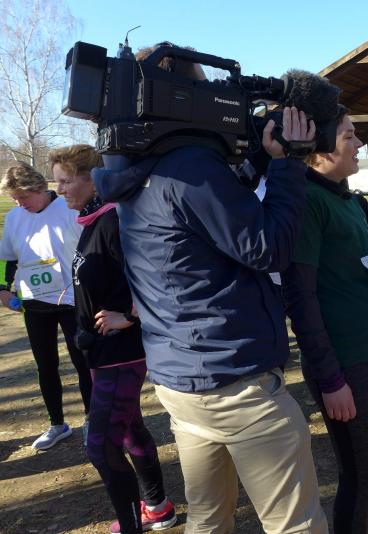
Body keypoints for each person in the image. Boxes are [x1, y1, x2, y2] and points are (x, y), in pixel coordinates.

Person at [92, 49, 330, 533]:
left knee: (208, 519)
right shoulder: (191, 169)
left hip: (180, 383)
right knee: (296, 525)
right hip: (236, 384)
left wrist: (261, 155)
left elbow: (212, 216)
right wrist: (289, 164)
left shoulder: (140, 169)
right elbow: (268, 248)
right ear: (180, 99)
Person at [283, 108, 368, 534]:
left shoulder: (352, 200)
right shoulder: (307, 202)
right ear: (320, 148)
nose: (358, 144)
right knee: (359, 473)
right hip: (344, 364)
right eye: (349, 136)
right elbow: (300, 298)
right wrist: (330, 378)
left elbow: (361, 269)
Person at [50, 145, 177, 534]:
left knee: (101, 446)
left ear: (92, 179)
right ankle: (158, 507)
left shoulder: (115, 220)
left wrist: (131, 316)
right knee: (130, 430)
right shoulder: (94, 222)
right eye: (57, 182)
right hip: (102, 353)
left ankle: (131, 525)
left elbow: (161, 274)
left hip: (122, 354)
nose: (60, 189)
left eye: (65, 181)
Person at [0, 163, 92, 450]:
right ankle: (57, 424)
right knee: (45, 365)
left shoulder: (69, 208)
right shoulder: (15, 217)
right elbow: (7, 257)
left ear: (38, 188)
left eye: (22, 197)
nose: (19, 203)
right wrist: (2, 289)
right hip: (35, 302)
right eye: (14, 198)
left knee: (83, 361)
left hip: (73, 300)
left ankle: (92, 419)